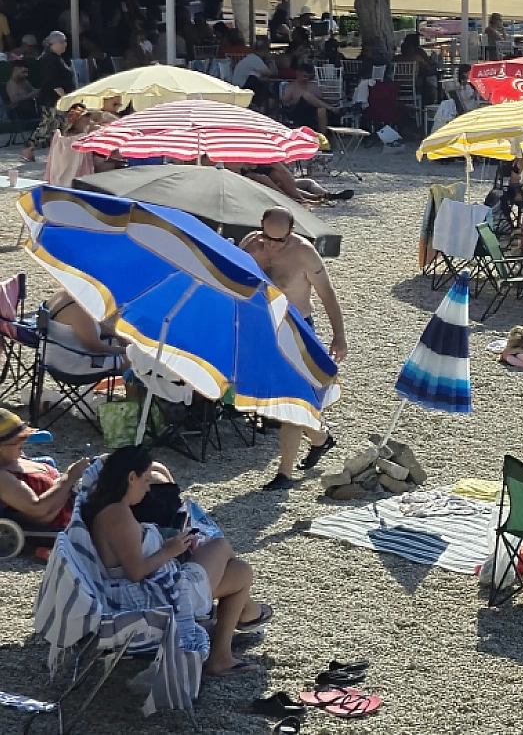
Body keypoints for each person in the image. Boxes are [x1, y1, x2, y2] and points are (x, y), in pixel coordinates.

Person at [86, 445, 267, 675]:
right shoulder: (117, 514)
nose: (148, 488)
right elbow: (135, 572)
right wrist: (169, 551)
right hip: (153, 598)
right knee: (221, 546)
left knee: (240, 571)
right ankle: (248, 614)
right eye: (146, 481)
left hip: (153, 589)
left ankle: (222, 655)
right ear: (131, 478)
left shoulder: (111, 510)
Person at [240, 208, 346, 490]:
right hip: (261, 328)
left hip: (296, 329)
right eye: (268, 238)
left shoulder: (304, 253)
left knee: (293, 398)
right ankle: (321, 438)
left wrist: (339, 336)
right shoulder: (251, 243)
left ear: (291, 231)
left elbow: (327, 295)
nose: (272, 245)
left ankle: (284, 474)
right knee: (272, 397)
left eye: (279, 241)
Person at [0, 409, 89, 531]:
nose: (24, 440)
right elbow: (38, 509)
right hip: (76, 523)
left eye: (25, 435)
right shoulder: (3, 478)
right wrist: (70, 477)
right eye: (17, 439)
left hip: (84, 505)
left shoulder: (15, 457)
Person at [21, 32, 77, 163]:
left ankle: (62, 153)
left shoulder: (56, 58)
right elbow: (53, 82)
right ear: (54, 44)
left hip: (57, 100)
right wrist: (65, 98)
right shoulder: (49, 59)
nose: (65, 45)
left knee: (62, 126)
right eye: (62, 42)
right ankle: (27, 150)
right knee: (47, 126)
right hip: (52, 99)